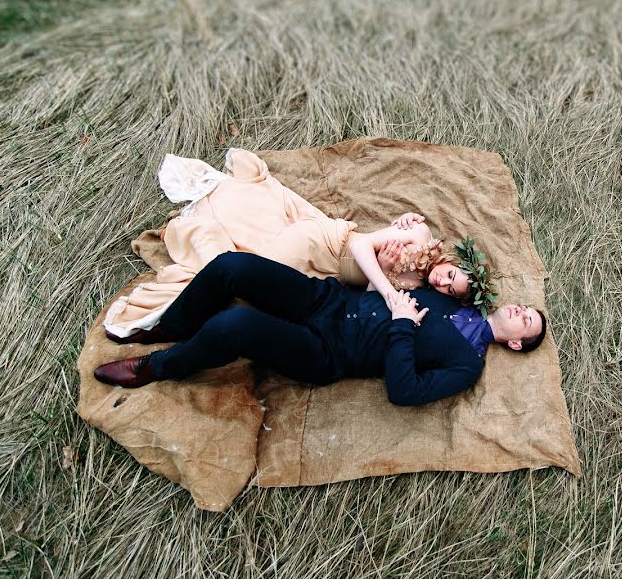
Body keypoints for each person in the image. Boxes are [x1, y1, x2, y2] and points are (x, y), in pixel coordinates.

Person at [104, 148, 478, 340]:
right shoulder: (420, 235)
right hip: (326, 245)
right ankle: (176, 318)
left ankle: (190, 317)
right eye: (451, 275)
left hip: (327, 275)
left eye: (449, 288)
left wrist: (380, 284)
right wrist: (386, 285)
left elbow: (364, 291)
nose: (442, 281)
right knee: (242, 273)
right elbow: (364, 249)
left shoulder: (419, 287)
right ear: (456, 262)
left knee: (261, 288)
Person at [94, 252, 547, 406]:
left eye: (526, 320)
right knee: (233, 267)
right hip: (327, 300)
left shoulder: (467, 365)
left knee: (235, 324)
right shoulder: (459, 294)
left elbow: (405, 391)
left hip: (328, 349)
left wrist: (404, 327)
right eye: (525, 307)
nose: (521, 310)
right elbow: (428, 266)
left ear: (513, 341)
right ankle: (168, 325)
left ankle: (157, 366)